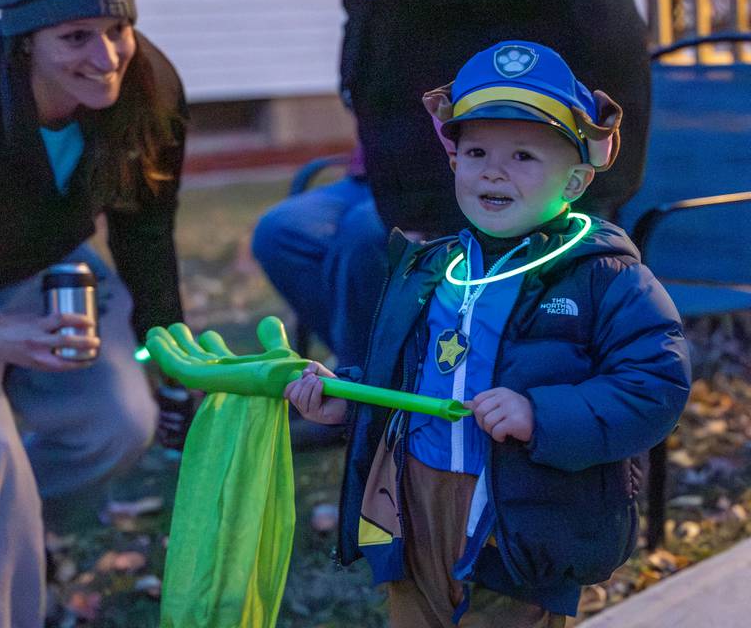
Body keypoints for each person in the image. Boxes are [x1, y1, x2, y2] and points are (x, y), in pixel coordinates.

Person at [285, 41, 691, 627]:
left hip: (520, 517)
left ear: (576, 179)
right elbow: (406, 376)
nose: (493, 170)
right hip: (412, 506)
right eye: (475, 151)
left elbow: (657, 384)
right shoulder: (430, 268)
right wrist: (347, 399)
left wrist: (541, 415)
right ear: (453, 164)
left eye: (524, 155)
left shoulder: (606, 276)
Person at [253, 0, 651, 396]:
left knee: (366, 239)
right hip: (389, 168)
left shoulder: (524, 21)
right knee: (283, 232)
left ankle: (383, 397)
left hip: (461, 180)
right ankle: (381, 378)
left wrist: (419, 206)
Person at [0, 0, 188, 625]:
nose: (107, 56)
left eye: (118, 29)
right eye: (76, 36)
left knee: (117, 422)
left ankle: (11, 530)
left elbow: (145, 231)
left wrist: (166, 344)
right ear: (26, 37)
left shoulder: (152, 88)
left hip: (51, 269)